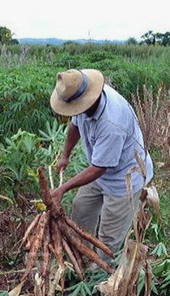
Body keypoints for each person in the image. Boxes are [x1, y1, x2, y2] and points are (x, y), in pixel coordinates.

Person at [49, 69, 153, 262]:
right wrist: (65, 155)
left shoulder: (112, 123)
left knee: (109, 236)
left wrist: (63, 187)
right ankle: (82, 256)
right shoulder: (81, 96)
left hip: (124, 178)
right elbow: (75, 126)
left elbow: (99, 168)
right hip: (100, 169)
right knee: (81, 208)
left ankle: (99, 276)